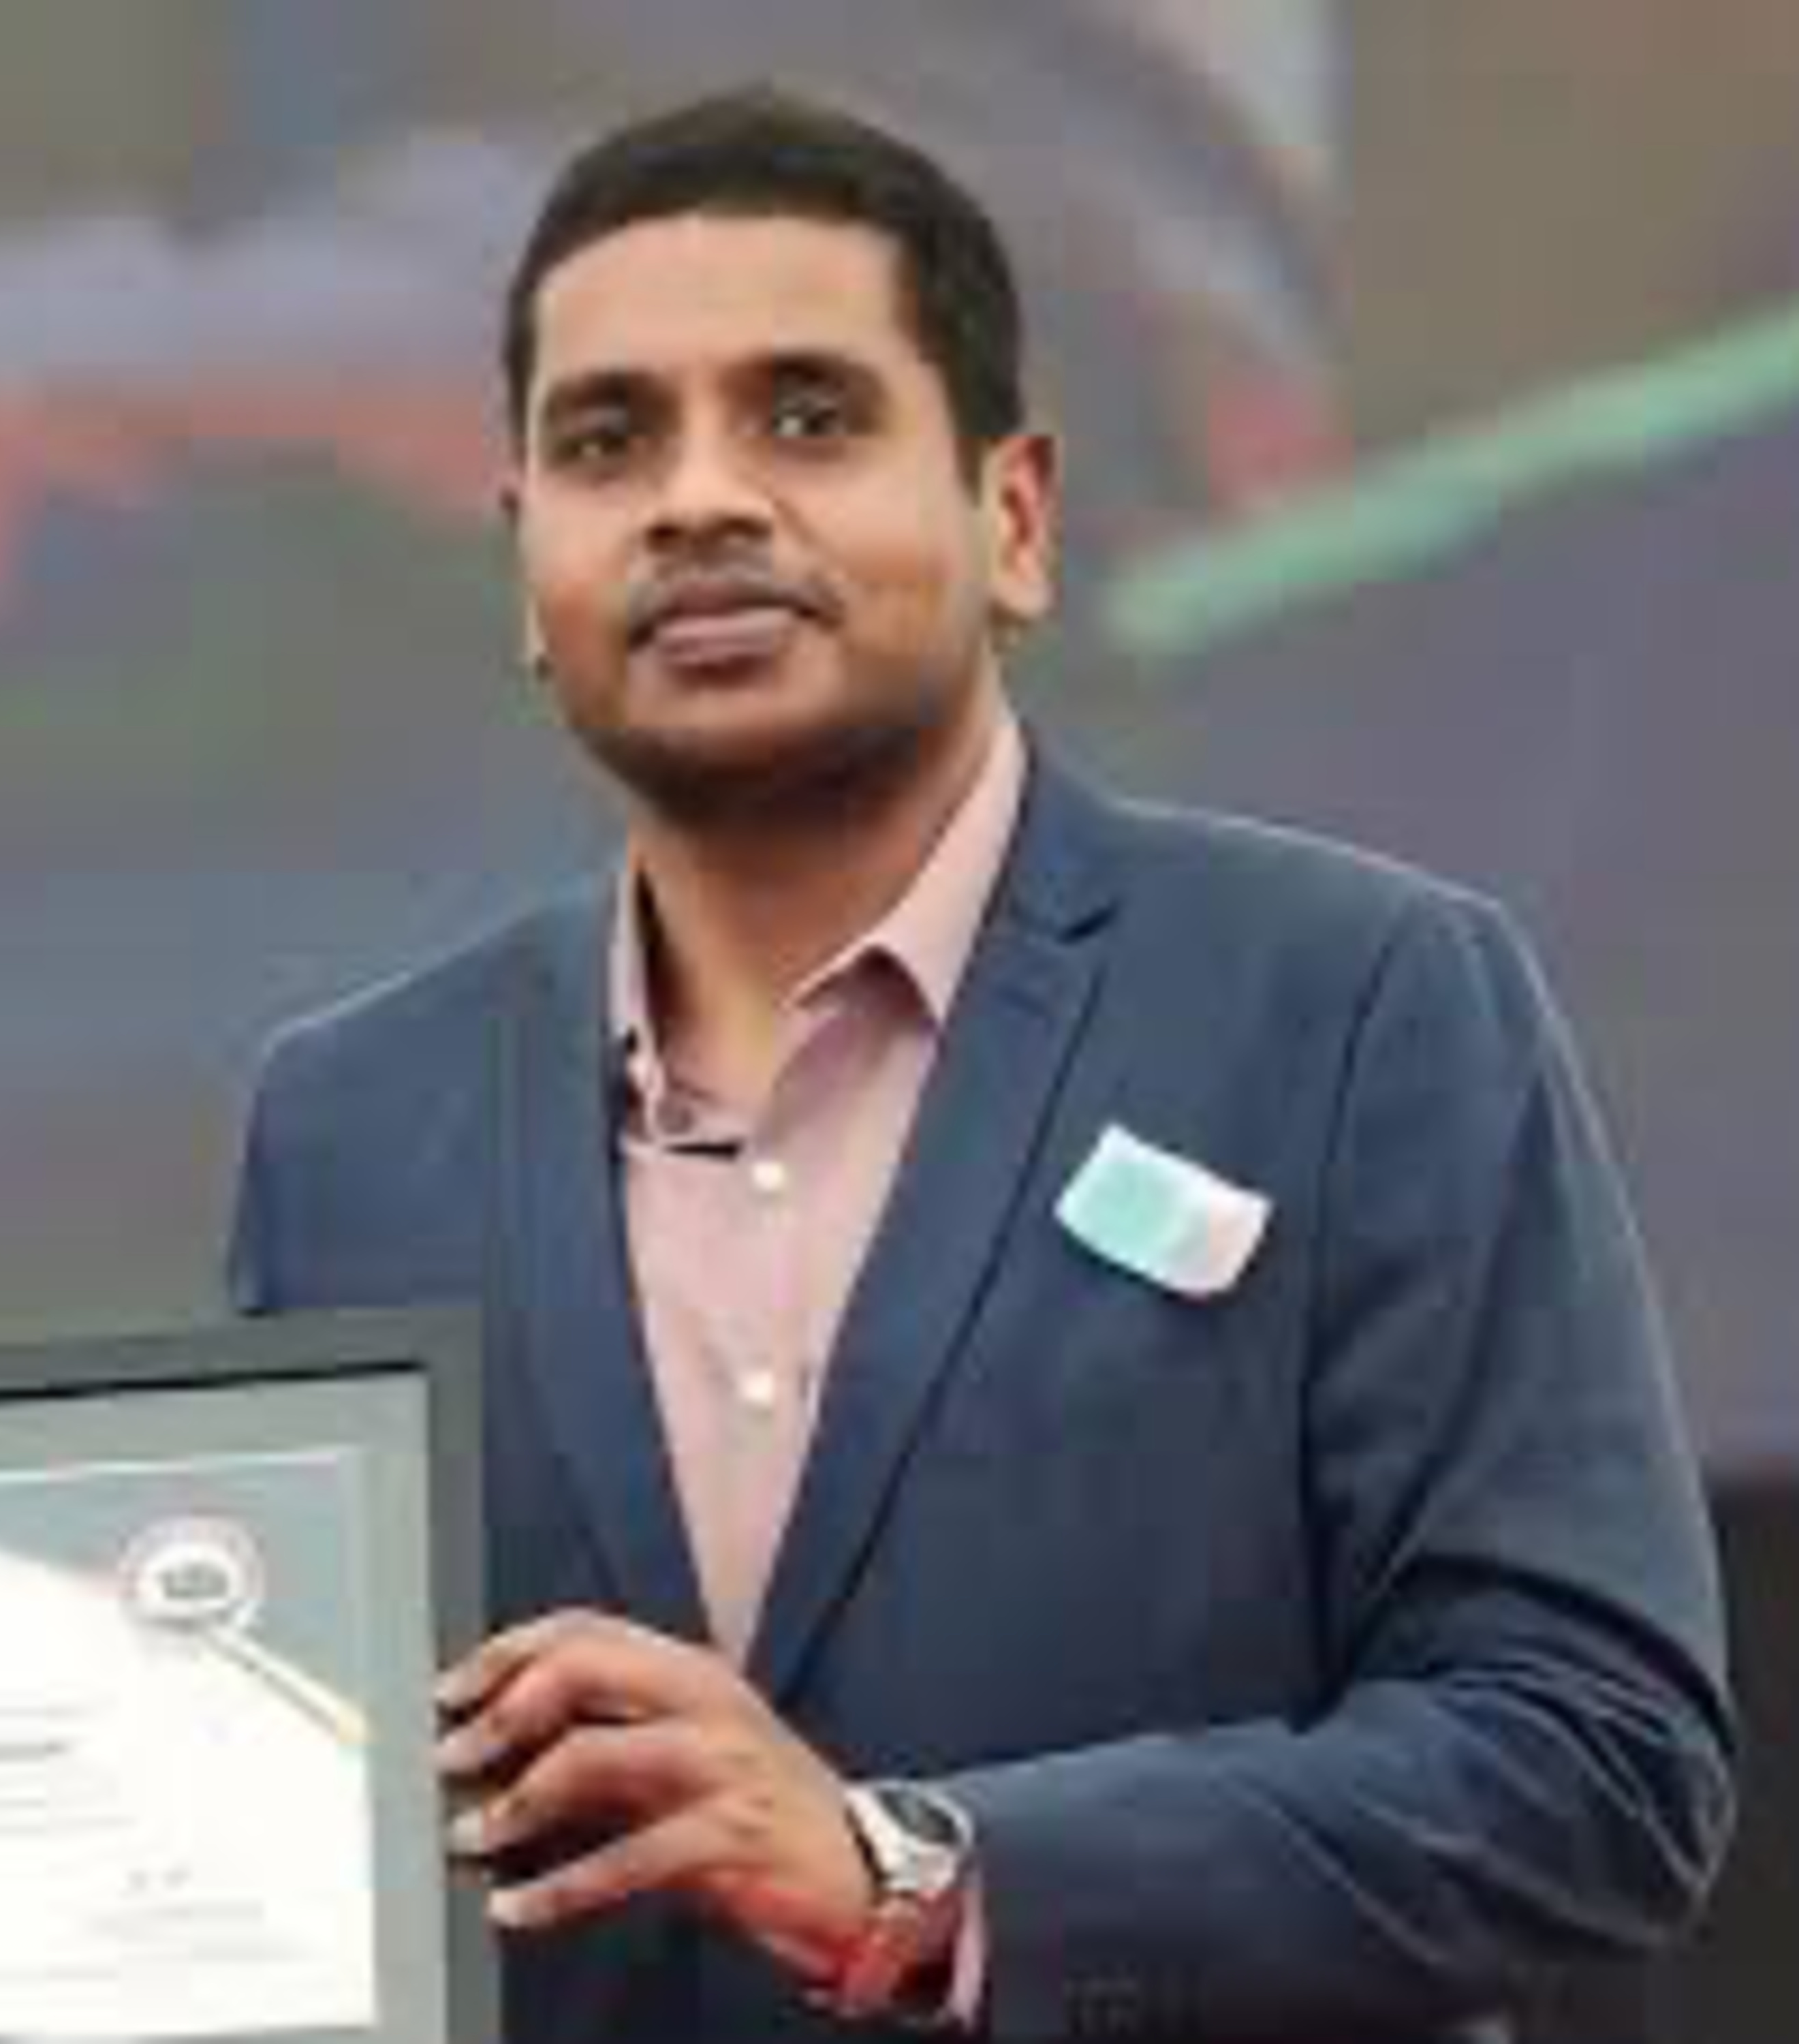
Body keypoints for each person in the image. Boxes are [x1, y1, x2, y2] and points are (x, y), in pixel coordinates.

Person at [227, 87, 1735, 2043]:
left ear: (1013, 520)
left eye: (808, 418)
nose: (698, 499)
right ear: (529, 568)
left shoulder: (1363, 1003)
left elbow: (1595, 1764)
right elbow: (298, 1804)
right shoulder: (350, 1122)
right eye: (609, 441)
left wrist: (919, 1873)